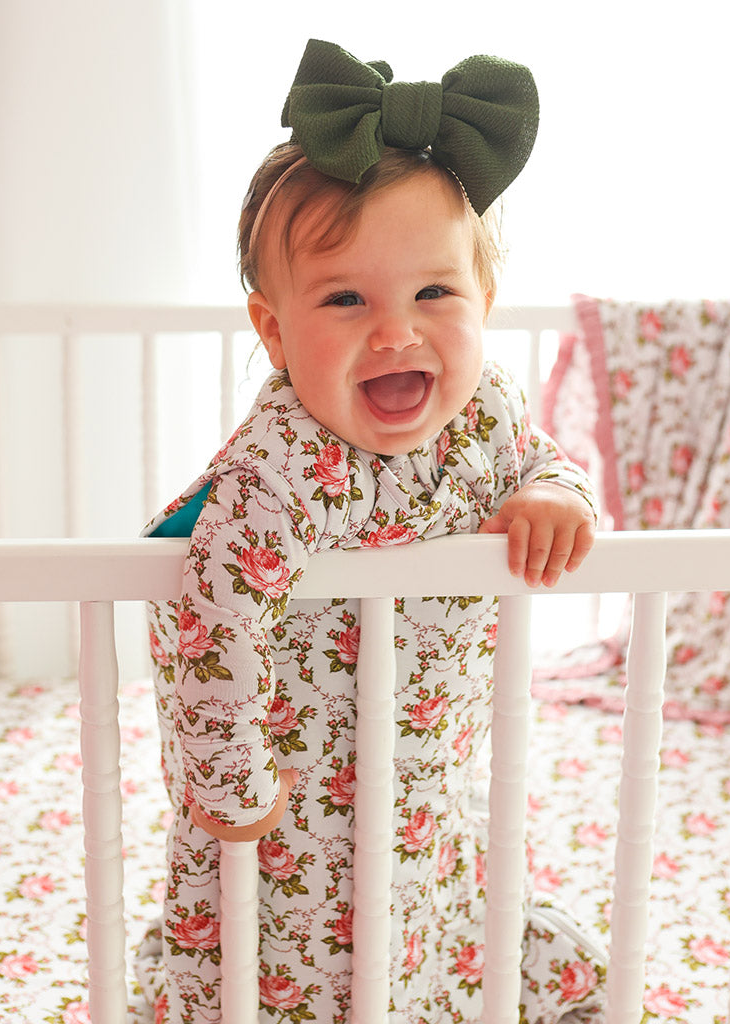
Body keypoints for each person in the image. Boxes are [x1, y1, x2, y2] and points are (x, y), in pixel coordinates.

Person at [136, 39, 606, 1023]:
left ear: (483, 303)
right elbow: (207, 612)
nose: (395, 330)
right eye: (345, 299)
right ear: (271, 330)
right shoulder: (284, 464)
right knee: (273, 978)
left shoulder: (488, 418)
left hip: (428, 792)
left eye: (434, 293)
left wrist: (556, 497)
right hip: (291, 832)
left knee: (432, 938)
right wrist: (230, 782)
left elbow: (540, 463)